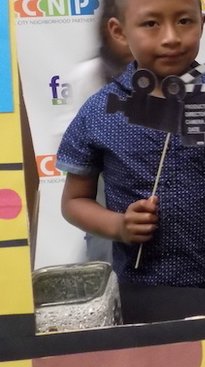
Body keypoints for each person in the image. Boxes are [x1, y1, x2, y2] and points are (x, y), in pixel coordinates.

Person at [56, 0, 205, 289]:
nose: (171, 37)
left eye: (184, 21)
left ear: (202, 24)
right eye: (150, 24)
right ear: (119, 32)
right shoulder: (101, 110)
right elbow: (74, 202)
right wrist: (119, 226)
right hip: (139, 292)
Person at [57, 0, 134, 264]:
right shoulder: (88, 77)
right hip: (104, 187)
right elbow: (72, 148)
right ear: (111, 31)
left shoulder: (169, 80)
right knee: (105, 257)